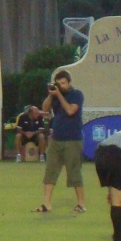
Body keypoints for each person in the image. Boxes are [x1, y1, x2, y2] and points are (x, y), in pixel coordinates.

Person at [37, 71, 84, 212]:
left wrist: (58, 95)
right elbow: (45, 109)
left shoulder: (76, 94)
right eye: (59, 83)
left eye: (63, 83)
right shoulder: (55, 95)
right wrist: (51, 95)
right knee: (50, 171)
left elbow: (70, 110)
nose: (61, 86)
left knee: (74, 172)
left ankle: (81, 204)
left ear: (69, 82)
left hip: (73, 139)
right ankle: (46, 203)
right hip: (56, 138)